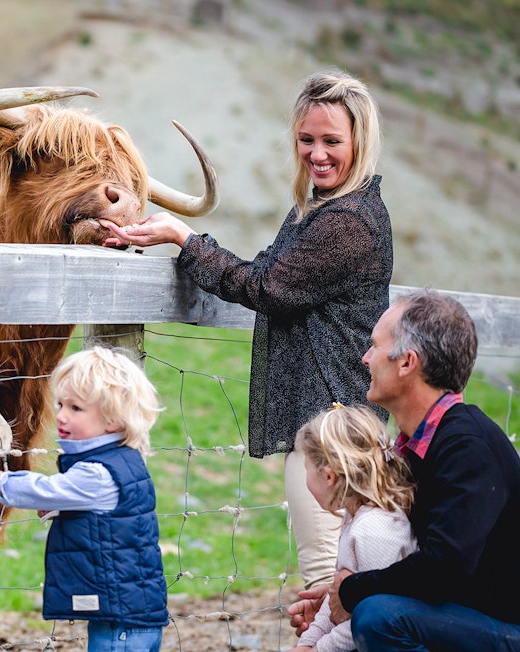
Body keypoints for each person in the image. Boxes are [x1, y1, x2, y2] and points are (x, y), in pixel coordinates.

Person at [102, 68, 392, 590]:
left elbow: (267, 287)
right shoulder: (320, 210)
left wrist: (184, 238)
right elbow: (261, 270)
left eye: (332, 141)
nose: (317, 153)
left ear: (360, 141)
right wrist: (171, 238)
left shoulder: (346, 222)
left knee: (329, 583)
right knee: (350, 581)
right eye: (306, 139)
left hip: (333, 431)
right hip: (337, 422)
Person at [292, 289, 520, 650]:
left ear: (406, 363)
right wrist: (337, 599)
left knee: (378, 617)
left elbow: (444, 566)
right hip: (464, 614)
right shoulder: (415, 446)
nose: (365, 358)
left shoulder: (469, 448)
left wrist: (352, 591)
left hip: (504, 625)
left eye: (375, 347)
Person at [0, 346, 168, 651]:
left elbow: (34, 489)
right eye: (60, 404)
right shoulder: (125, 459)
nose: (60, 416)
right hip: (133, 614)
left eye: (75, 409)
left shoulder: (95, 473)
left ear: (113, 420)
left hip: (120, 626)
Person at [286, 403, 417, 652]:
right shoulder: (356, 517)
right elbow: (338, 599)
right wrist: (308, 642)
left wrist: (319, 649)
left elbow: (366, 618)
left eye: (307, 470)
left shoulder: (374, 531)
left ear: (329, 476)